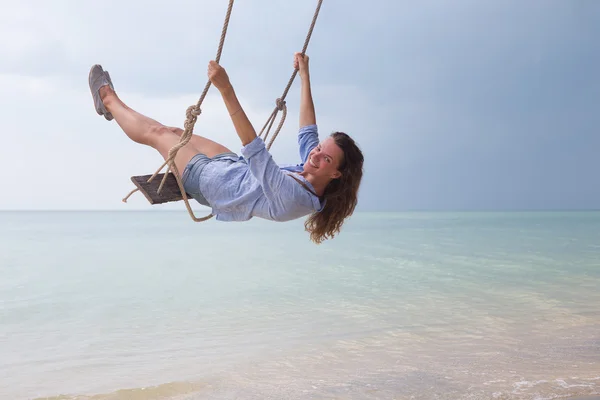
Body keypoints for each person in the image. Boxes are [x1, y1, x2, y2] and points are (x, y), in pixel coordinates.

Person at [88, 53, 364, 243]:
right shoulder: (314, 173)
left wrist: (226, 89)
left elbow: (256, 151)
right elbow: (307, 131)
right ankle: (116, 110)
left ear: (336, 173)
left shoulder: (295, 197)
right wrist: (305, 75)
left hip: (213, 184)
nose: (315, 154)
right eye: (319, 150)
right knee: (175, 132)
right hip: (232, 167)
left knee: (157, 134)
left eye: (325, 157)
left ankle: (107, 99)